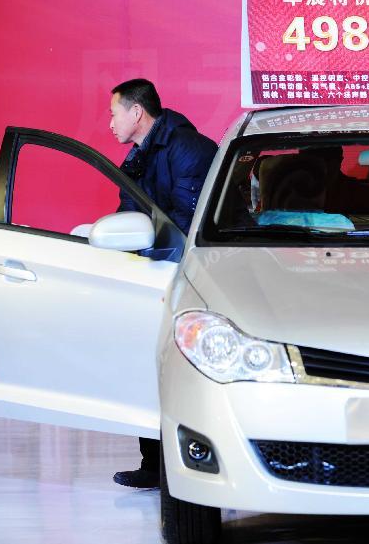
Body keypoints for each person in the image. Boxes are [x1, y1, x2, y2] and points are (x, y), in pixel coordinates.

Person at [109, 78, 218, 488]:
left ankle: (186, 464)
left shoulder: (189, 150)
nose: (110, 123)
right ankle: (154, 465)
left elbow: (184, 227)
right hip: (152, 275)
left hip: (185, 278)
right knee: (146, 367)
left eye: (113, 112)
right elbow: (127, 213)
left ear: (137, 113)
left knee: (178, 370)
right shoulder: (139, 156)